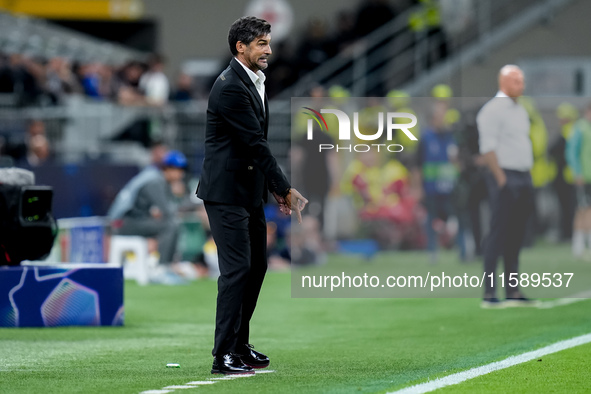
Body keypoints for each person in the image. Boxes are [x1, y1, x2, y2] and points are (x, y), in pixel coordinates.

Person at [196, 16, 307, 375]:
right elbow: (255, 144)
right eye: (261, 43)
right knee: (237, 270)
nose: (269, 50)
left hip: (247, 191)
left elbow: (253, 148)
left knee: (257, 266)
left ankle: (240, 344)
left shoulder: (254, 82)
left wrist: (270, 190)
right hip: (226, 193)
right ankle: (222, 354)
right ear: (240, 47)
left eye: (268, 42)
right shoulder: (230, 86)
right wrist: (285, 188)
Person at [477, 65, 536, 308]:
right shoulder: (492, 110)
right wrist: (501, 178)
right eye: (515, 81)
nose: (520, 86)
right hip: (505, 175)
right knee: (499, 232)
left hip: (523, 175)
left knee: (517, 234)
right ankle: (489, 293)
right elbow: (488, 148)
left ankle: (513, 289)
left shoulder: (520, 109)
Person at [108, 150, 187, 266]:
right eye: (177, 170)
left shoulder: (153, 176)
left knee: (169, 223)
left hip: (128, 221)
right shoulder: (155, 181)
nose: (181, 174)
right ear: (167, 169)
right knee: (170, 225)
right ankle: (163, 267)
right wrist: (178, 196)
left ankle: (167, 266)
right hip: (123, 223)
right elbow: (168, 211)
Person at [566, 103, 591, 258]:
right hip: (584, 177)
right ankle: (579, 243)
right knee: (582, 209)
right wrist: (578, 173)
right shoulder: (580, 128)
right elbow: (571, 152)